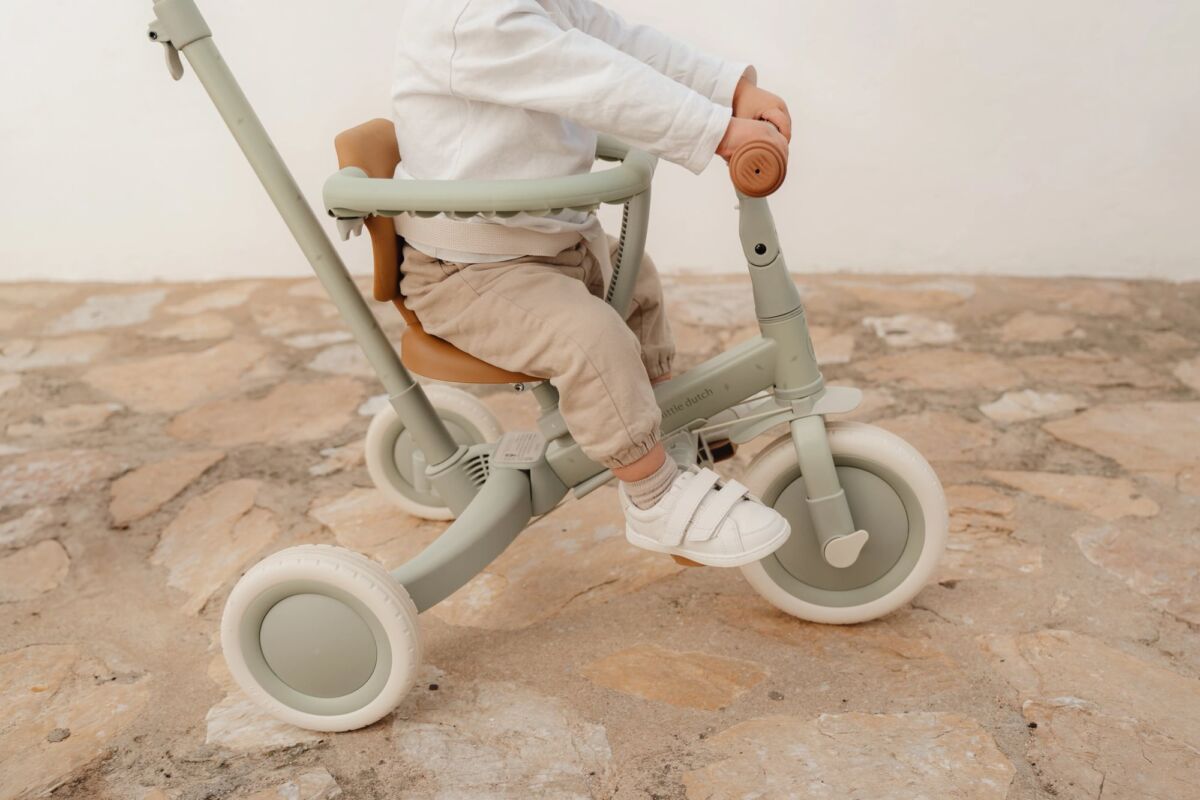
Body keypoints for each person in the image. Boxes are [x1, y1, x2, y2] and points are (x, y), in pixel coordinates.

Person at [392, 0, 793, 567]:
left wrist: (728, 89)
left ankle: (665, 421)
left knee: (637, 280)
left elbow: (620, 44)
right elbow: (599, 80)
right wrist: (716, 130)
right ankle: (653, 496)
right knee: (592, 340)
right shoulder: (474, 19)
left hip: (551, 245)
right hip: (470, 272)